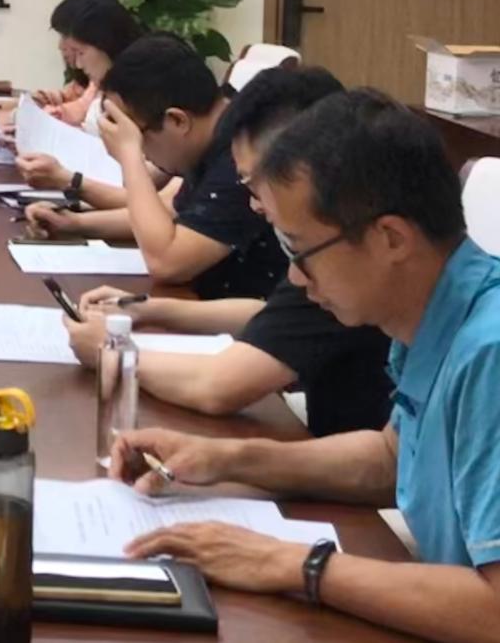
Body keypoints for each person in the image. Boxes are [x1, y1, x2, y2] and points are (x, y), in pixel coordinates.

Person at [109, 90, 500, 642]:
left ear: (391, 238)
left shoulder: (489, 351)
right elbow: (392, 459)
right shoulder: (435, 309)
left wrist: (290, 563)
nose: (294, 277)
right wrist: (226, 458)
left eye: (299, 251)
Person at [63, 67, 392, 436]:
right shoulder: (327, 241)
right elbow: (273, 313)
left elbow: (217, 386)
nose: (252, 203)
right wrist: (147, 309)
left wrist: (110, 352)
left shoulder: (341, 250)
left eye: (252, 183)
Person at [27, 34, 288, 298]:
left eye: (139, 136)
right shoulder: (213, 138)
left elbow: (166, 262)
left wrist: (129, 155)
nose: (144, 154)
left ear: (177, 121)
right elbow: (168, 214)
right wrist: (73, 223)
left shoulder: (240, 158)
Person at [31, 0, 142, 133]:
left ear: (105, 43)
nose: (78, 64)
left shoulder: (135, 97)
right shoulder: (97, 84)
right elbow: (70, 99)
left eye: (80, 52)